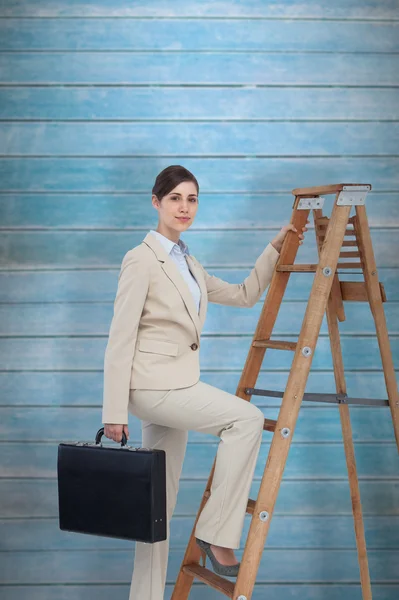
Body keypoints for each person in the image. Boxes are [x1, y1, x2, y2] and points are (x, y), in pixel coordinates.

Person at [102, 165, 308, 599]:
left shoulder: (188, 262)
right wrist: (113, 413)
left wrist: (273, 248)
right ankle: (216, 533)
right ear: (156, 202)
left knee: (157, 506)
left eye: (192, 199)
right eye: (175, 198)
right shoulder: (141, 259)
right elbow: (120, 337)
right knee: (246, 420)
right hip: (154, 388)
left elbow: (243, 294)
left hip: (176, 384)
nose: (184, 207)